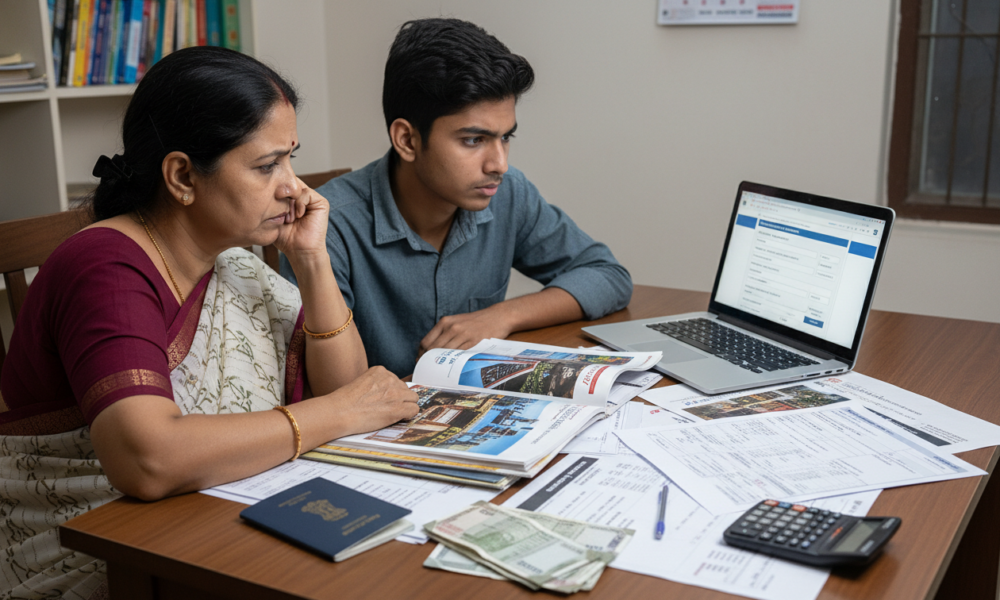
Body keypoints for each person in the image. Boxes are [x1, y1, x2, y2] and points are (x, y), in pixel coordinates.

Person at [0, 47, 418, 599]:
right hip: (98, 549)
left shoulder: (233, 262)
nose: (293, 186)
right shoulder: (105, 268)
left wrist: (313, 260)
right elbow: (148, 461)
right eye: (268, 166)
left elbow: (348, 393)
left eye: (291, 159)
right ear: (181, 176)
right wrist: (335, 413)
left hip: (212, 516)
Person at [281, 18, 632, 377]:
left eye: (505, 137)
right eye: (473, 140)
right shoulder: (327, 227)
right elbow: (320, 388)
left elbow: (607, 276)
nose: (499, 164)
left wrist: (502, 315)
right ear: (407, 140)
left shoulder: (508, 194)